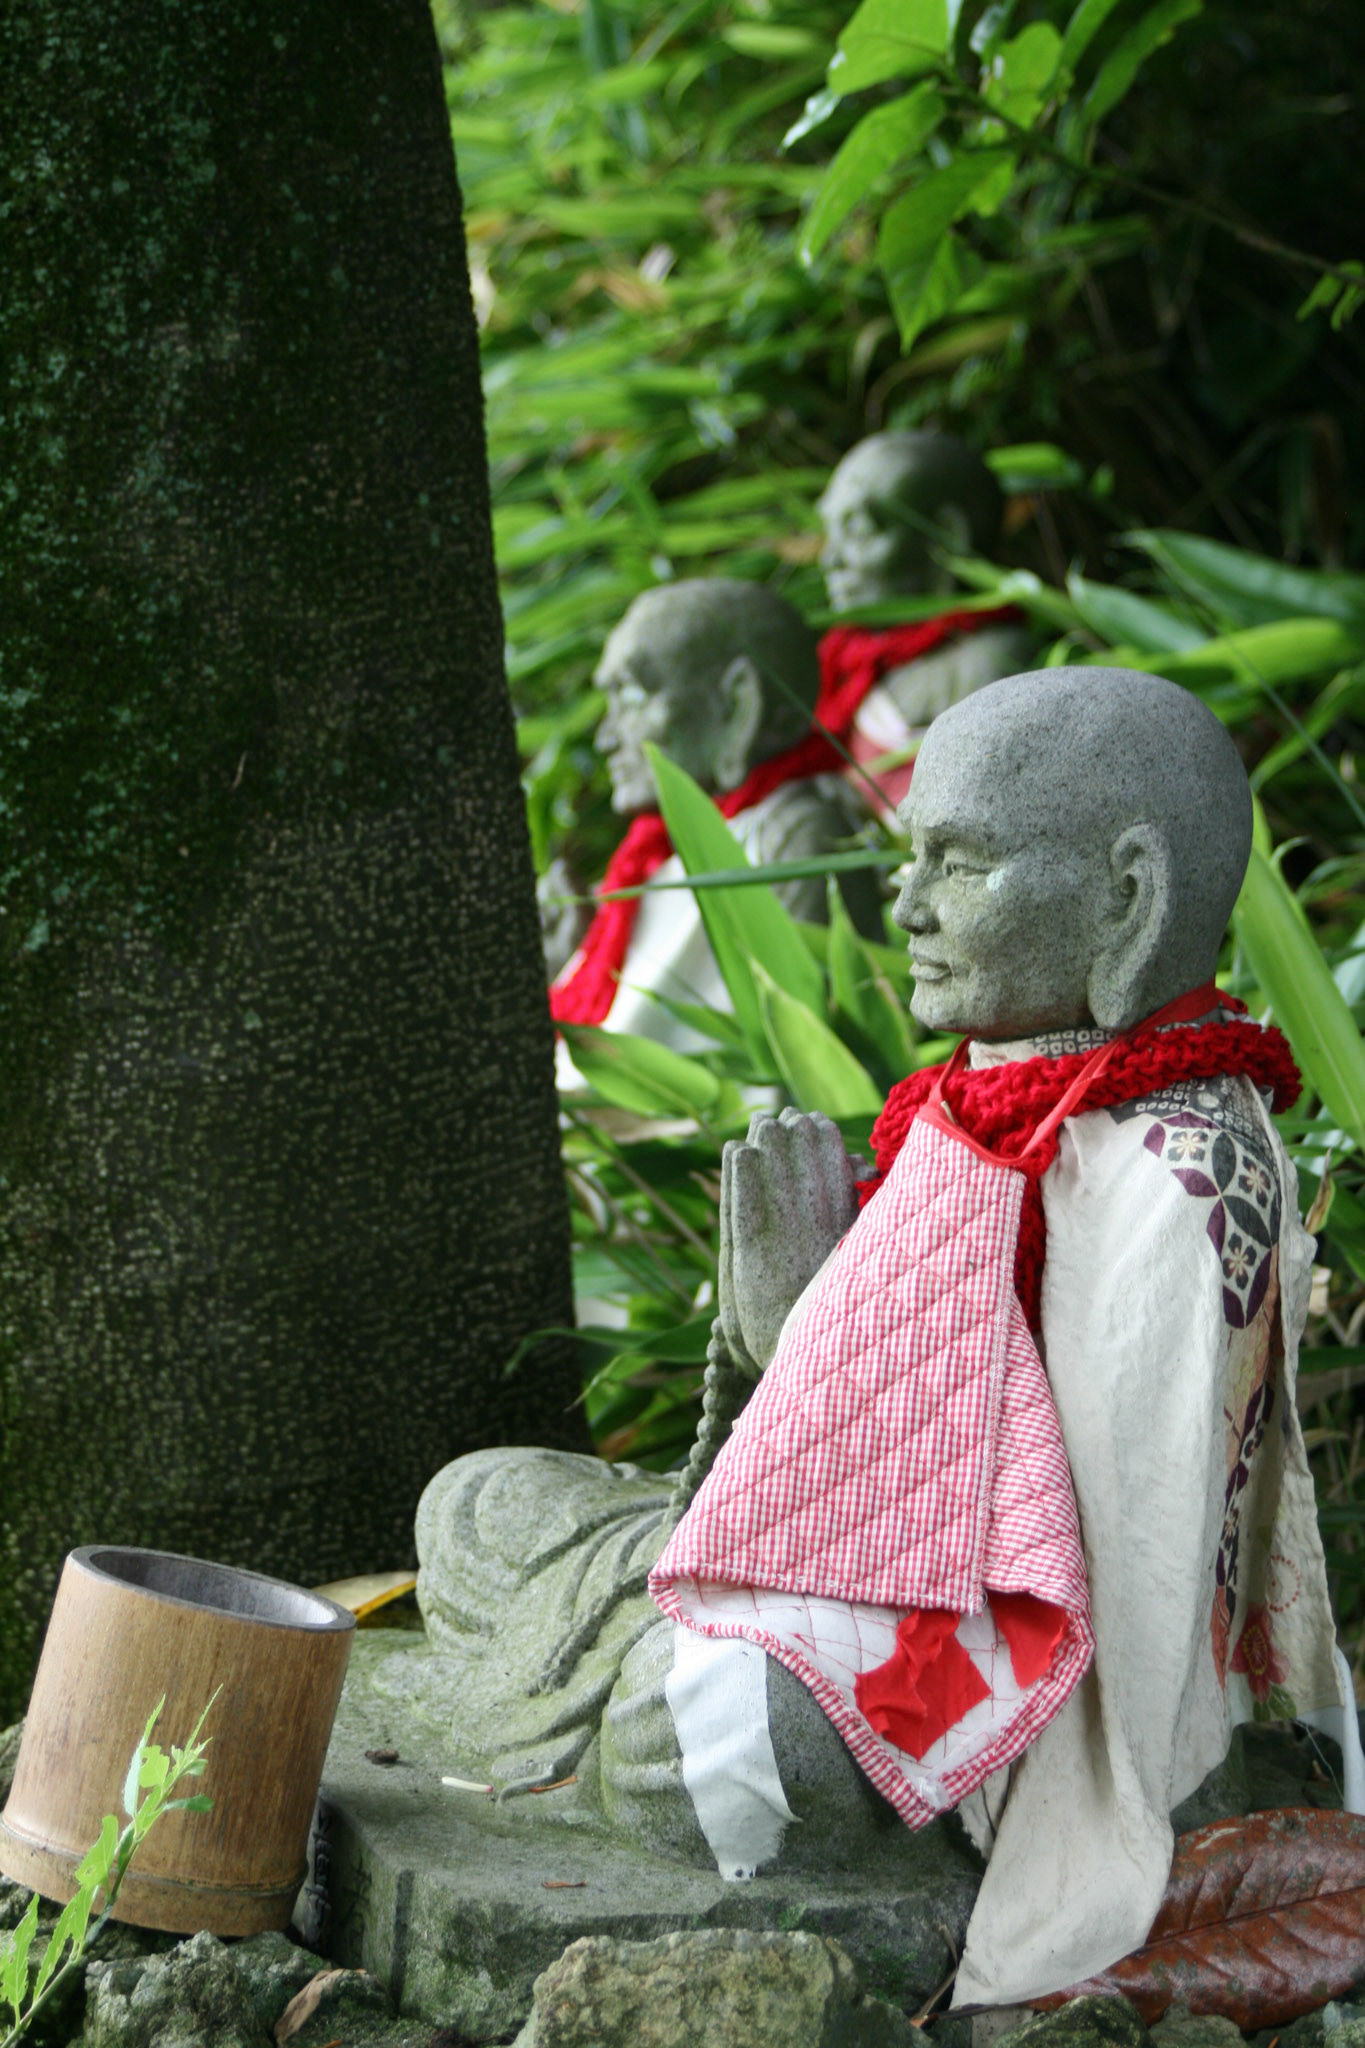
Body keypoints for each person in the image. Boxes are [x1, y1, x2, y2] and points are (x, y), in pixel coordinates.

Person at [408, 664, 1358, 2009]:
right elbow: (869, 1443)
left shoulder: (1184, 1171)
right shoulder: (992, 1103)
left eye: (957, 866)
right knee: (479, 1499)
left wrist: (808, 1362)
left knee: (704, 1737)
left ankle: (613, 1671)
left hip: (1019, 1677)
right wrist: (768, 1350)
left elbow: (1124, 1581)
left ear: (1125, 899)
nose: (903, 909)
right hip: (872, 1562)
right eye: (912, 862)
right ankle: (614, 1639)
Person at [548, 579, 882, 1073]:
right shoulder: (653, 859)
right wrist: (566, 952)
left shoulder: (795, 837)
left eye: (631, 696)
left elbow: (819, 1069)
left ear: (737, 702)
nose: (605, 737)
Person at [814, 431, 1035, 816]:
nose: (831, 560)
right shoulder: (846, 671)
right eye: (829, 533)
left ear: (947, 538)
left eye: (860, 532)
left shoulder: (990, 660)